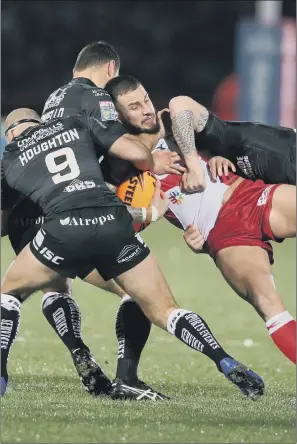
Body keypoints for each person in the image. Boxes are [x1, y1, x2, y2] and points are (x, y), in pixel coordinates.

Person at [1, 108, 264, 401]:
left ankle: (12, 370)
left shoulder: (10, 158)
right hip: (112, 222)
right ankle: (221, 359)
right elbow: (121, 154)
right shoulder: (73, 125)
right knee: (161, 308)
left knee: (14, 292)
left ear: (9, 134)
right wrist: (151, 177)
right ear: (42, 123)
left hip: (60, 229)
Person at [2, 40, 183, 400]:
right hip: (78, 217)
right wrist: (149, 159)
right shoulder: (89, 98)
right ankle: (126, 375)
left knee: (46, 285)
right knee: (132, 291)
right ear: (111, 68)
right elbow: (115, 155)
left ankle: (75, 352)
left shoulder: (44, 115)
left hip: (39, 221)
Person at [104, 74, 296, 366]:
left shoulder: (168, 123)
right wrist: (152, 214)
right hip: (220, 234)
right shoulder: (118, 166)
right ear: (117, 115)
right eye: (134, 106)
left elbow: (183, 106)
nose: (145, 109)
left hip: (247, 195)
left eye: (145, 99)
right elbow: (108, 216)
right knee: (270, 306)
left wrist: (203, 161)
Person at [167, 96, 296, 192]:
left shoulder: (219, 139)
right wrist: (199, 165)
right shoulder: (217, 143)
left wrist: (195, 167)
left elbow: (180, 104)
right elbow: (179, 105)